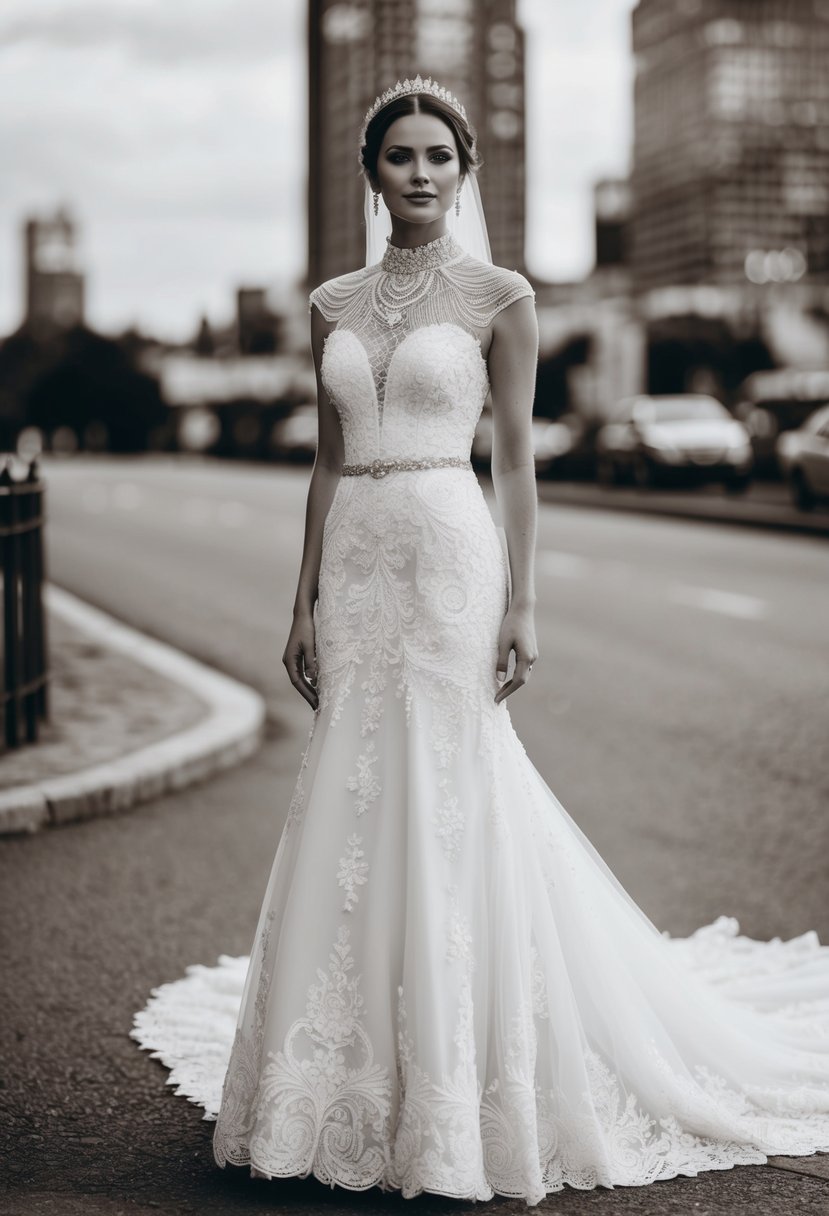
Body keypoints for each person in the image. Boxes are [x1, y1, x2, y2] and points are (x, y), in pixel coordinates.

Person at [132, 77, 829, 1205]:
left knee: (452, 778)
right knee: (353, 782)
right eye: (398, 156)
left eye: (437, 157)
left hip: (452, 554)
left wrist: (523, 603)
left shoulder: (501, 296)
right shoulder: (329, 303)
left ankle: (460, 1074)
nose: (418, 173)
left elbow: (514, 457)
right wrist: (300, 599)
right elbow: (323, 461)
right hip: (357, 554)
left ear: (464, 172)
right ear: (371, 173)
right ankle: (338, 1065)